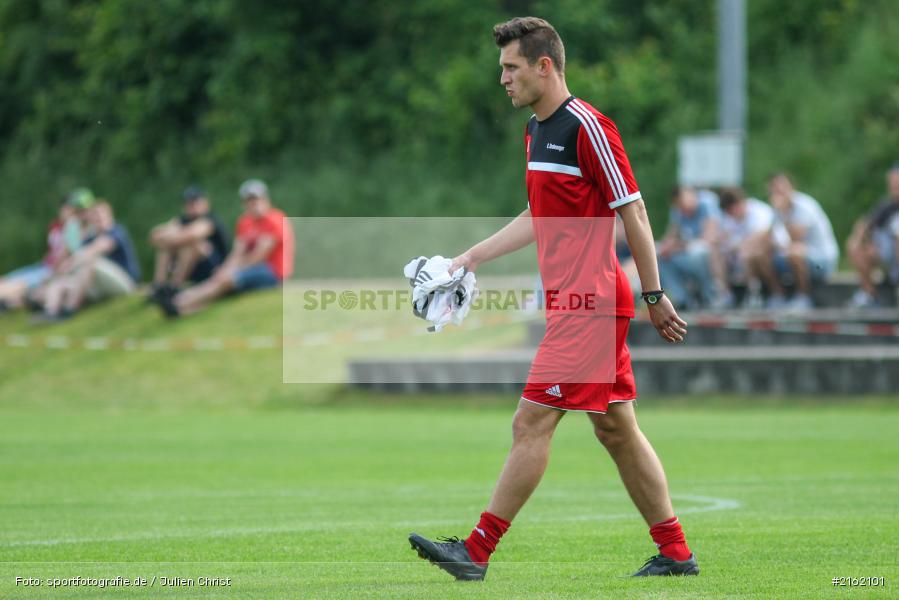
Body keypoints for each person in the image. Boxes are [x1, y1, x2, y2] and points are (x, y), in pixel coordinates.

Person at [408, 17, 697, 581]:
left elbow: (632, 209)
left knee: (531, 422)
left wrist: (654, 292)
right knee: (616, 428)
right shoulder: (537, 133)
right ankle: (677, 553)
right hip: (576, 303)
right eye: (502, 69)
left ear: (545, 66)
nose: (503, 79)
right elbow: (541, 216)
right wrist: (472, 257)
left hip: (592, 302)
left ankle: (476, 550)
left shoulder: (588, 127)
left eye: (511, 68)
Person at [158, 179, 293, 318]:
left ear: (265, 199)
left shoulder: (275, 219)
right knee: (220, 280)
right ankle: (179, 304)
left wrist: (231, 270)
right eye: (249, 200)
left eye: (256, 199)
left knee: (226, 280)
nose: (254, 203)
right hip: (250, 267)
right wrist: (224, 269)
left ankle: (179, 303)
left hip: (273, 271)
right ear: (244, 203)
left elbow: (259, 256)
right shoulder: (245, 222)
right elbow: (237, 252)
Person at [747, 173, 838, 310]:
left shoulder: (805, 206)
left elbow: (796, 239)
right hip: (796, 256)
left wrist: (781, 212)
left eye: (781, 187)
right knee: (757, 256)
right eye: (774, 189)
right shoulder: (777, 210)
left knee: (794, 252)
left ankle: (803, 297)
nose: (778, 192)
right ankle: (777, 296)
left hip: (822, 260)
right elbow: (767, 240)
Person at [37, 200, 140, 321]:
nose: (98, 218)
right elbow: (75, 257)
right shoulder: (90, 238)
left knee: (90, 262)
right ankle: (51, 312)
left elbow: (93, 250)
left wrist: (69, 265)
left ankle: (70, 310)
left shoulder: (116, 232)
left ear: (109, 215)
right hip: (101, 287)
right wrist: (53, 277)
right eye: (95, 216)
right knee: (59, 284)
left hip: (126, 283)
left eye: (100, 215)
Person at [148, 186, 229, 300]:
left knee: (190, 244)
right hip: (192, 268)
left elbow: (192, 235)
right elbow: (155, 235)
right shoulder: (183, 220)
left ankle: (175, 286)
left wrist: (173, 236)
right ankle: (159, 286)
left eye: (195, 202)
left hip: (214, 267)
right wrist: (173, 237)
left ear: (205, 202)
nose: (192, 206)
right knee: (165, 247)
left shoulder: (210, 218)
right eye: (189, 203)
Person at [657, 186, 729, 309]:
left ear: (691, 196)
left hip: (714, 252)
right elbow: (671, 235)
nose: (682, 208)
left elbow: (709, 238)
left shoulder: (707, 203)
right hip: (687, 251)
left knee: (698, 252)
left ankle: (714, 295)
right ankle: (681, 298)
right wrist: (666, 247)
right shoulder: (678, 210)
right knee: (660, 257)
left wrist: (678, 246)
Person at [0, 197, 75, 313]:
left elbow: (69, 251)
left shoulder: (74, 227)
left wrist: (55, 270)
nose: (66, 211)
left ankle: (6, 301)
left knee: (18, 284)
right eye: (64, 208)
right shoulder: (55, 226)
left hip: (51, 269)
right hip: (44, 265)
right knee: (7, 280)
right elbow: (53, 249)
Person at [717, 187, 786, 306]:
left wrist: (737, 247)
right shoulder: (730, 218)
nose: (731, 216)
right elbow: (725, 241)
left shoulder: (759, 211)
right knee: (718, 253)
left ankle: (771, 293)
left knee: (750, 253)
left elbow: (761, 236)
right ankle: (724, 293)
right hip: (748, 254)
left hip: (776, 251)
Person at [845, 163, 899, 308]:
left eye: (896, 183)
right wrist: (858, 238)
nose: (893, 187)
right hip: (889, 254)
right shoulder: (886, 206)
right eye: (891, 183)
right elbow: (865, 224)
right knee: (855, 247)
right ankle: (868, 294)